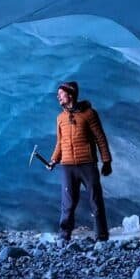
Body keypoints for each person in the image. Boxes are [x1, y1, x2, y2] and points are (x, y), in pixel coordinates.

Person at [47, 81, 112, 243]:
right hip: (67, 166)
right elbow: (60, 142)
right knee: (67, 204)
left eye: (60, 94)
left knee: (96, 201)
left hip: (87, 164)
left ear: (70, 95)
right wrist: (54, 160)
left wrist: (106, 161)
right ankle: (63, 237)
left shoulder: (89, 114)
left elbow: (100, 138)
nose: (58, 97)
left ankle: (102, 237)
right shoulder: (60, 118)